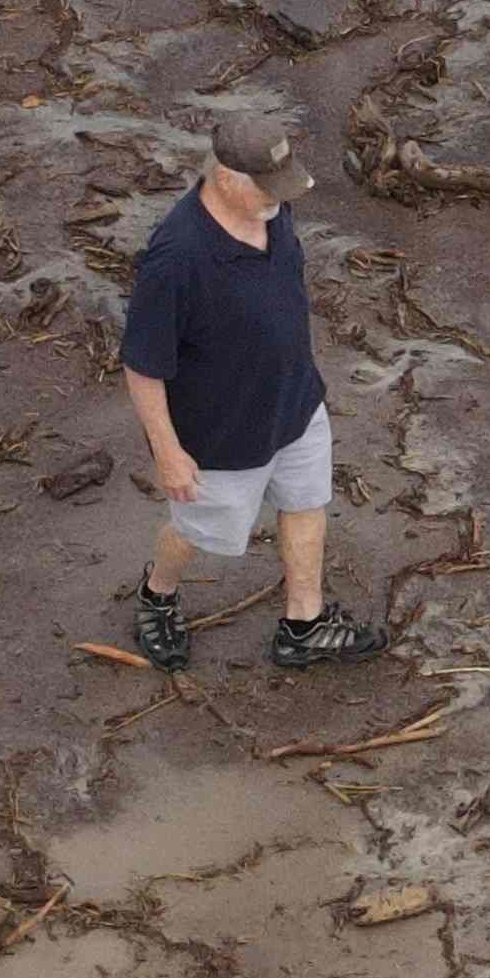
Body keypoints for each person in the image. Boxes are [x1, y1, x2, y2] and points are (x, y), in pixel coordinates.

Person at [113, 92, 381, 674]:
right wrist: (169, 453)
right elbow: (142, 364)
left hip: (296, 403)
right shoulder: (176, 259)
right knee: (199, 530)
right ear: (227, 178)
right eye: (269, 185)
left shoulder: (270, 210)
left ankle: (304, 625)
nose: (280, 197)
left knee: (307, 503)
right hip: (223, 432)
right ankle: (158, 594)